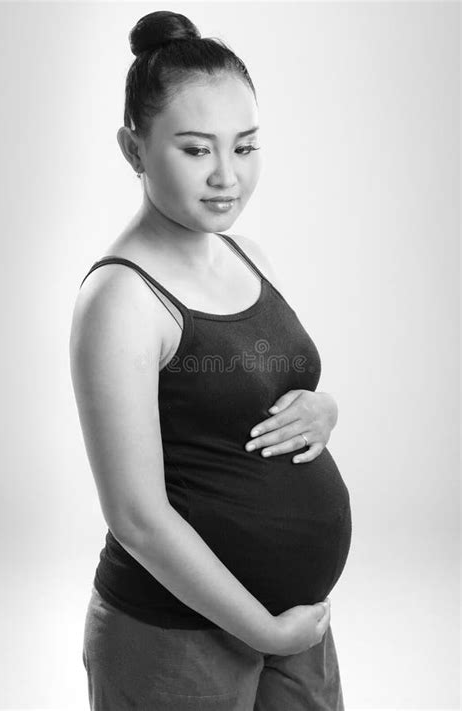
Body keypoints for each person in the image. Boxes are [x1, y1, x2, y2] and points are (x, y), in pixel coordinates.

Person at [70, 10, 352, 710]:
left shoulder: (245, 254)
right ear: (134, 149)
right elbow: (136, 514)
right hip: (174, 639)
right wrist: (265, 629)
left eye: (246, 146)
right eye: (196, 150)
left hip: (296, 624)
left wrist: (324, 409)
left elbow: (262, 388)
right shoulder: (121, 298)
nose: (227, 175)